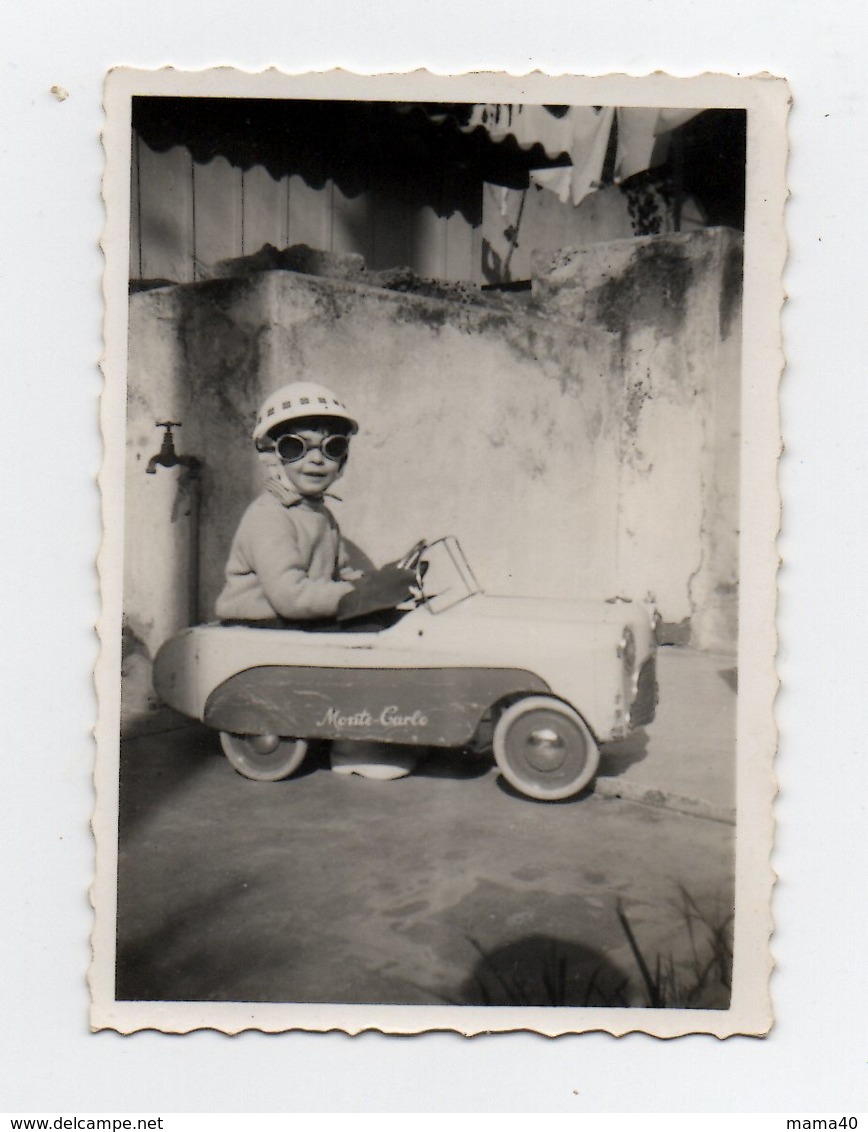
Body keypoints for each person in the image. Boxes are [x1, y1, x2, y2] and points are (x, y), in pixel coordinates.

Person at [215, 380, 417, 778]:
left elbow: (343, 570)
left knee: (387, 625)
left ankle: (387, 728)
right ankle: (352, 744)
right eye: (296, 447)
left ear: (342, 461)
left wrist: (377, 583)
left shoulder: (320, 514)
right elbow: (290, 595)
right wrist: (356, 597)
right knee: (363, 639)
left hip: (295, 613)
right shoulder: (268, 516)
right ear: (273, 457)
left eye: (332, 447)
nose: (316, 460)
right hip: (263, 620)